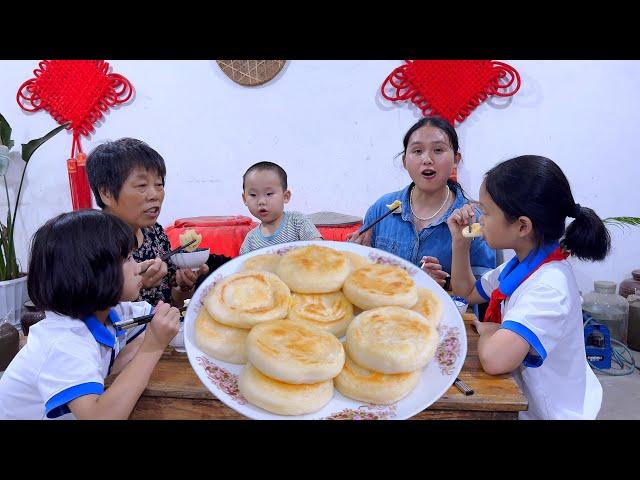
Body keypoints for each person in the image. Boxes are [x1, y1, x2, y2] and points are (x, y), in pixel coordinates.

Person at [448, 155, 609, 420]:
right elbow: (467, 292)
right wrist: (459, 244)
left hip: (553, 413)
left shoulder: (549, 286)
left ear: (522, 226)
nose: (481, 219)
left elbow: (495, 360)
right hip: (528, 399)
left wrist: (491, 330)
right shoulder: (523, 264)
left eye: (487, 212)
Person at [0, 210, 181, 419]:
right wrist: (152, 347)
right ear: (93, 274)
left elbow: (155, 320)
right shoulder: (64, 341)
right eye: (129, 258)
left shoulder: (111, 312)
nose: (138, 268)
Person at [348, 116, 495, 287]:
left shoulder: (472, 219)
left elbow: (484, 286)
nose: (427, 159)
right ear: (405, 161)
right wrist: (354, 253)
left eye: (438, 150)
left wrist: (444, 282)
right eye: (417, 151)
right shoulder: (382, 209)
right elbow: (365, 274)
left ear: (456, 159)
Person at [86, 138, 208, 306]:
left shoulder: (155, 233)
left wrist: (184, 286)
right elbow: (88, 316)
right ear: (106, 193)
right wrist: (133, 285)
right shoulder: (91, 245)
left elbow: (173, 304)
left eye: (159, 184)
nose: (155, 194)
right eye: (142, 185)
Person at [239, 161, 323, 254]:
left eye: (269, 194)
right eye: (253, 195)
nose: (261, 201)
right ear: (245, 199)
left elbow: (319, 249)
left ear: (285, 196)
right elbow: (244, 265)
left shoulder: (298, 221)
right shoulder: (250, 241)